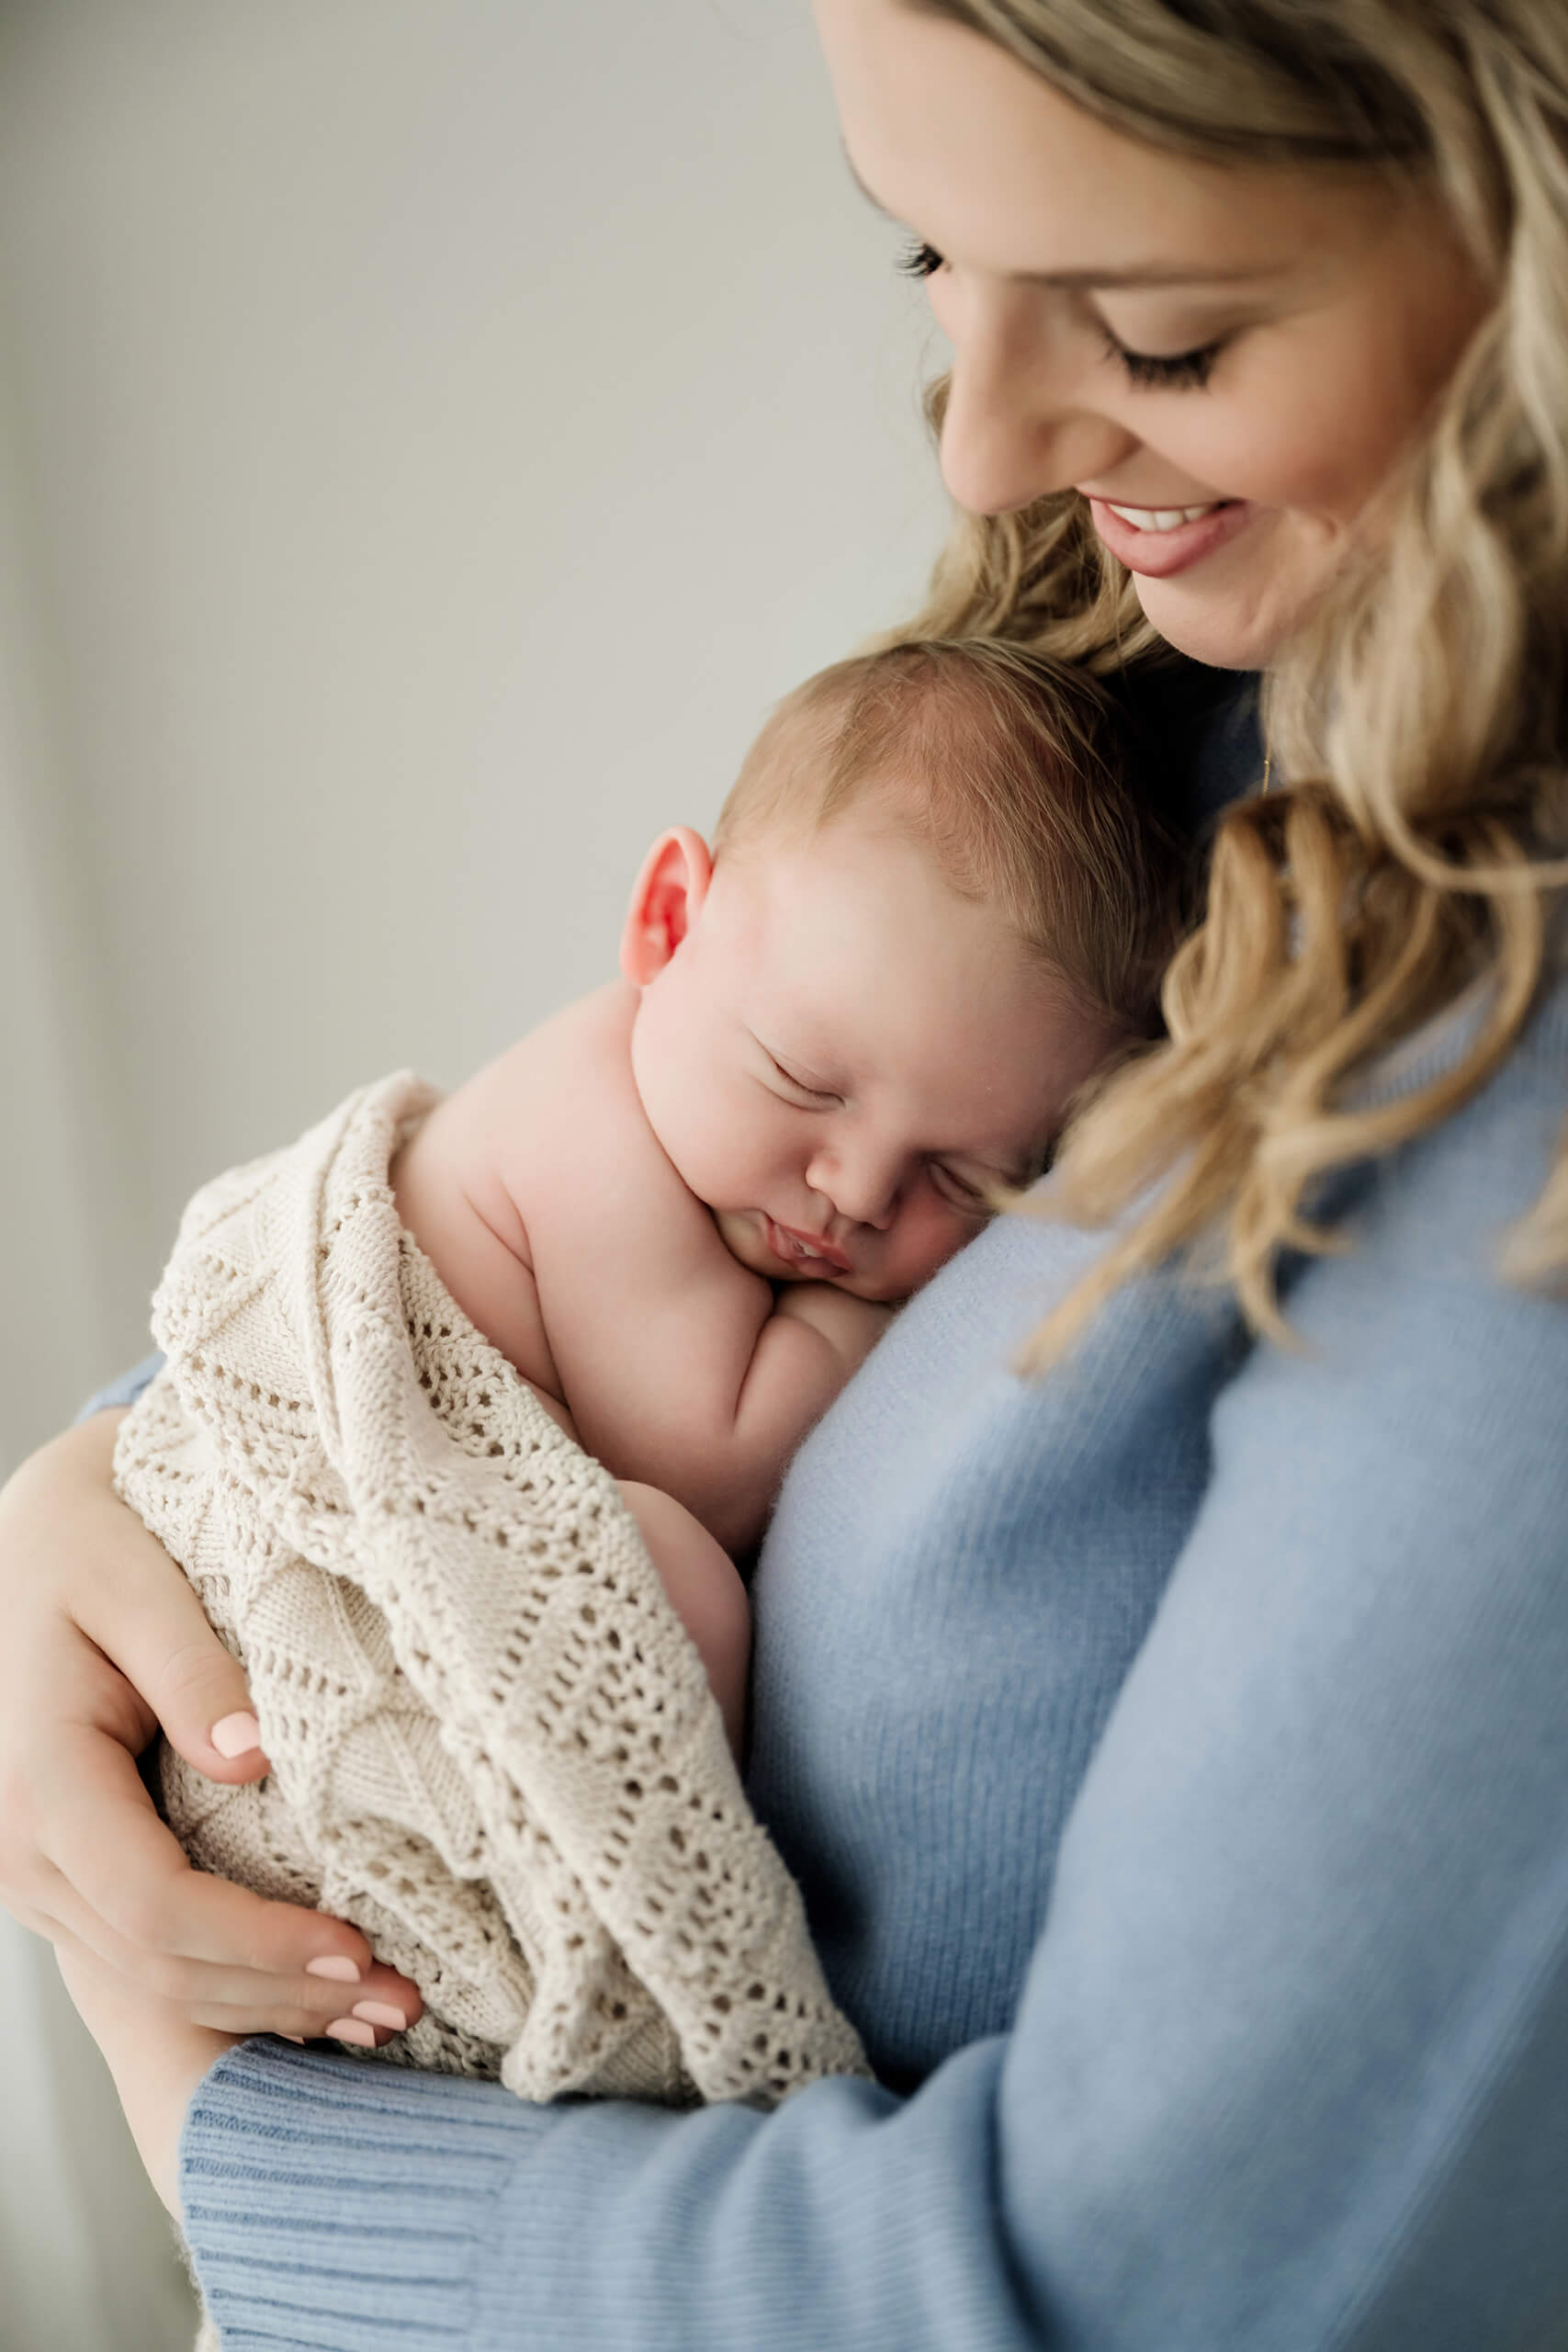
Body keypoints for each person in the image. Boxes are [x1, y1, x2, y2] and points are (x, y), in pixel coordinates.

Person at [4, 2, 1568, 2344]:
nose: (982, 440)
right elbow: (463, 1264)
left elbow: (1124, 2291)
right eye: (926, 251)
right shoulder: (1151, 654)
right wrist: (102, 1493)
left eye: (1159, 327)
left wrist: (219, 2131)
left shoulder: (1504, 1120)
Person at [111, 636, 1161, 2097]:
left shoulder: (725, 1132)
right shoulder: (591, 1131)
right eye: (804, 1081)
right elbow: (710, 1454)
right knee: (656, 1561)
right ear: (667, 924)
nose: (854, 1190)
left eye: (967, 1178)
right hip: (302, 1637)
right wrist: (881, 1319)